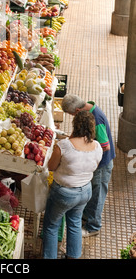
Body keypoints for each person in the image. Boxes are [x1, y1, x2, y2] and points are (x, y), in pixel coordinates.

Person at [42, 111, 103, 259]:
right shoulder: (97, 147)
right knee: (75, 223)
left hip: (64, 193)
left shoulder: (64, 146)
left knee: (51, 226)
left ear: (75, 125)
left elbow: (51, 166)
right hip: (85, 192)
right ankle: (73, 256)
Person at [61, 95, 115, 238]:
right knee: (92, 191)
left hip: (102, 165)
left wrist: (88, 153)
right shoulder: (89, 110)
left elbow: (105, 146)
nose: (73, 117)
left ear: (78, 110)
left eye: (72, 115)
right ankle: (86, 216)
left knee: (97, 195)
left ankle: (93, 227)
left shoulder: (97, 119)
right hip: (95, 164)